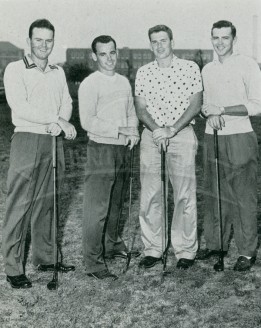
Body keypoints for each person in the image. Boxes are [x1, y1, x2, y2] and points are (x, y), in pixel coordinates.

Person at [3, 19, 77, 289]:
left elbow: (67, 102)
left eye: (49, 40)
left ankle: (45, 258)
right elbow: (19, 107)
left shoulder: (58, 71)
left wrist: (60, 123)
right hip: (27, 138)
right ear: (29, 41)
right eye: (38, 40)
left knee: (49, 201)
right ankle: (13, 267)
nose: (44, 45)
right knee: (20, 204)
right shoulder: (15, 69)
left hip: (52, 140)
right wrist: (57, 120)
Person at [135, 25, 203, 270]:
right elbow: (141, 108)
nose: (159, 46)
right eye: (154, 42)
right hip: (152, 136)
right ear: (150, 44)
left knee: (184, 194)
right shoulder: (143, 72)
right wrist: (156, 130)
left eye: (163, 40)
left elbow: (196, 104)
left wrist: (171, 129)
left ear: (172, 41)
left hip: (181, 133)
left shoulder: (189, 68)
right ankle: (153, 248)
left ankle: (185, 250)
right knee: (151, 194)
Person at [197, 20, 261, 271]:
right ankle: (216, 245)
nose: (220, 43)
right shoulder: (207, 69)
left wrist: (222, 109)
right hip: (212, 136)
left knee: (243, 197)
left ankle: (246, 252)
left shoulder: (248, 65)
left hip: (239, 136)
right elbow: (205, 104)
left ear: (234, 39)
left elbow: (256, 105)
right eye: (216, 38)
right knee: (215, 193)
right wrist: (208, 113)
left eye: (225, 38)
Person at [78, 35, 140, 280]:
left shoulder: (124, 82)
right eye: (103, 54)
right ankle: (93, 263)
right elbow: (87, 121)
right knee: (97, 208)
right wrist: (119, 129)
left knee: (117, 202)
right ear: (94, 56)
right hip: (101, 149)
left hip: (123, 149)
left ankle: (112, 244)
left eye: (112, 52)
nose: (109, 58)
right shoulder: (90, 83)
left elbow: (131, 112)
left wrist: (133, 131)